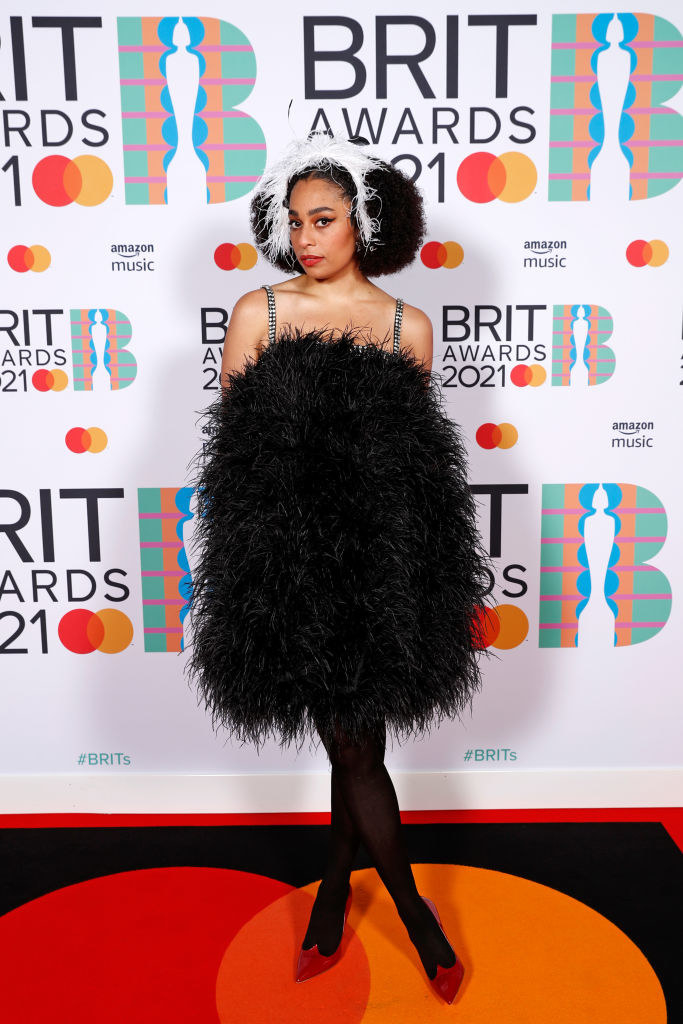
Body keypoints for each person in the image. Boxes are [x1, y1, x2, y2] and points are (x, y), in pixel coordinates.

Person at [186, 132, 491, 1006]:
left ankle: (331, 886)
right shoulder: (262, 312)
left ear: (366, 221)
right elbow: (236, 462)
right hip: (291, 570)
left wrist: (414, 572)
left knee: (356, 745)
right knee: (354, 746)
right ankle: (412, 911)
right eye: (295, 221)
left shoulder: (407, 326)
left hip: (377, 567)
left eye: (324, 219)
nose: (306, 237)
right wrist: (265, 574)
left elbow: (413, 467)